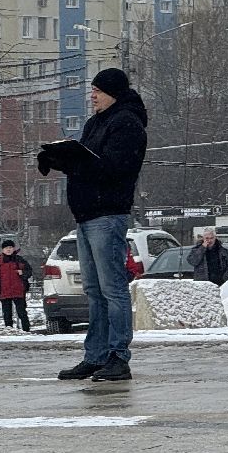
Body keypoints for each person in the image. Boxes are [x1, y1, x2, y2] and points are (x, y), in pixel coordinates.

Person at [38, 66, 147, 382]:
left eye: (98, 90)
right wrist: (58, 158)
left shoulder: (127, 123)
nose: (93, 95)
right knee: (94, 290)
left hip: (108, 215)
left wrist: (74, 159)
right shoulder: (95, 123)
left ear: (113, 92)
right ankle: (96, 356)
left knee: (112, 289)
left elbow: (113, 168)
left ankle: (118, 356)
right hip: (86, 216)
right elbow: (86, 163)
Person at [0, 240, 34, 331]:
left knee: (22, 312)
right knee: (7, 313)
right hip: (4, 291)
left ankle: (26, 329)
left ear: (13, 249)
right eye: (6, 248)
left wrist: (23, 273)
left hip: (19, 290)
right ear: (2, 250)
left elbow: (29, 271)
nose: (8, 249)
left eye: (10, 247)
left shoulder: (19, 260)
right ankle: (9, 330)